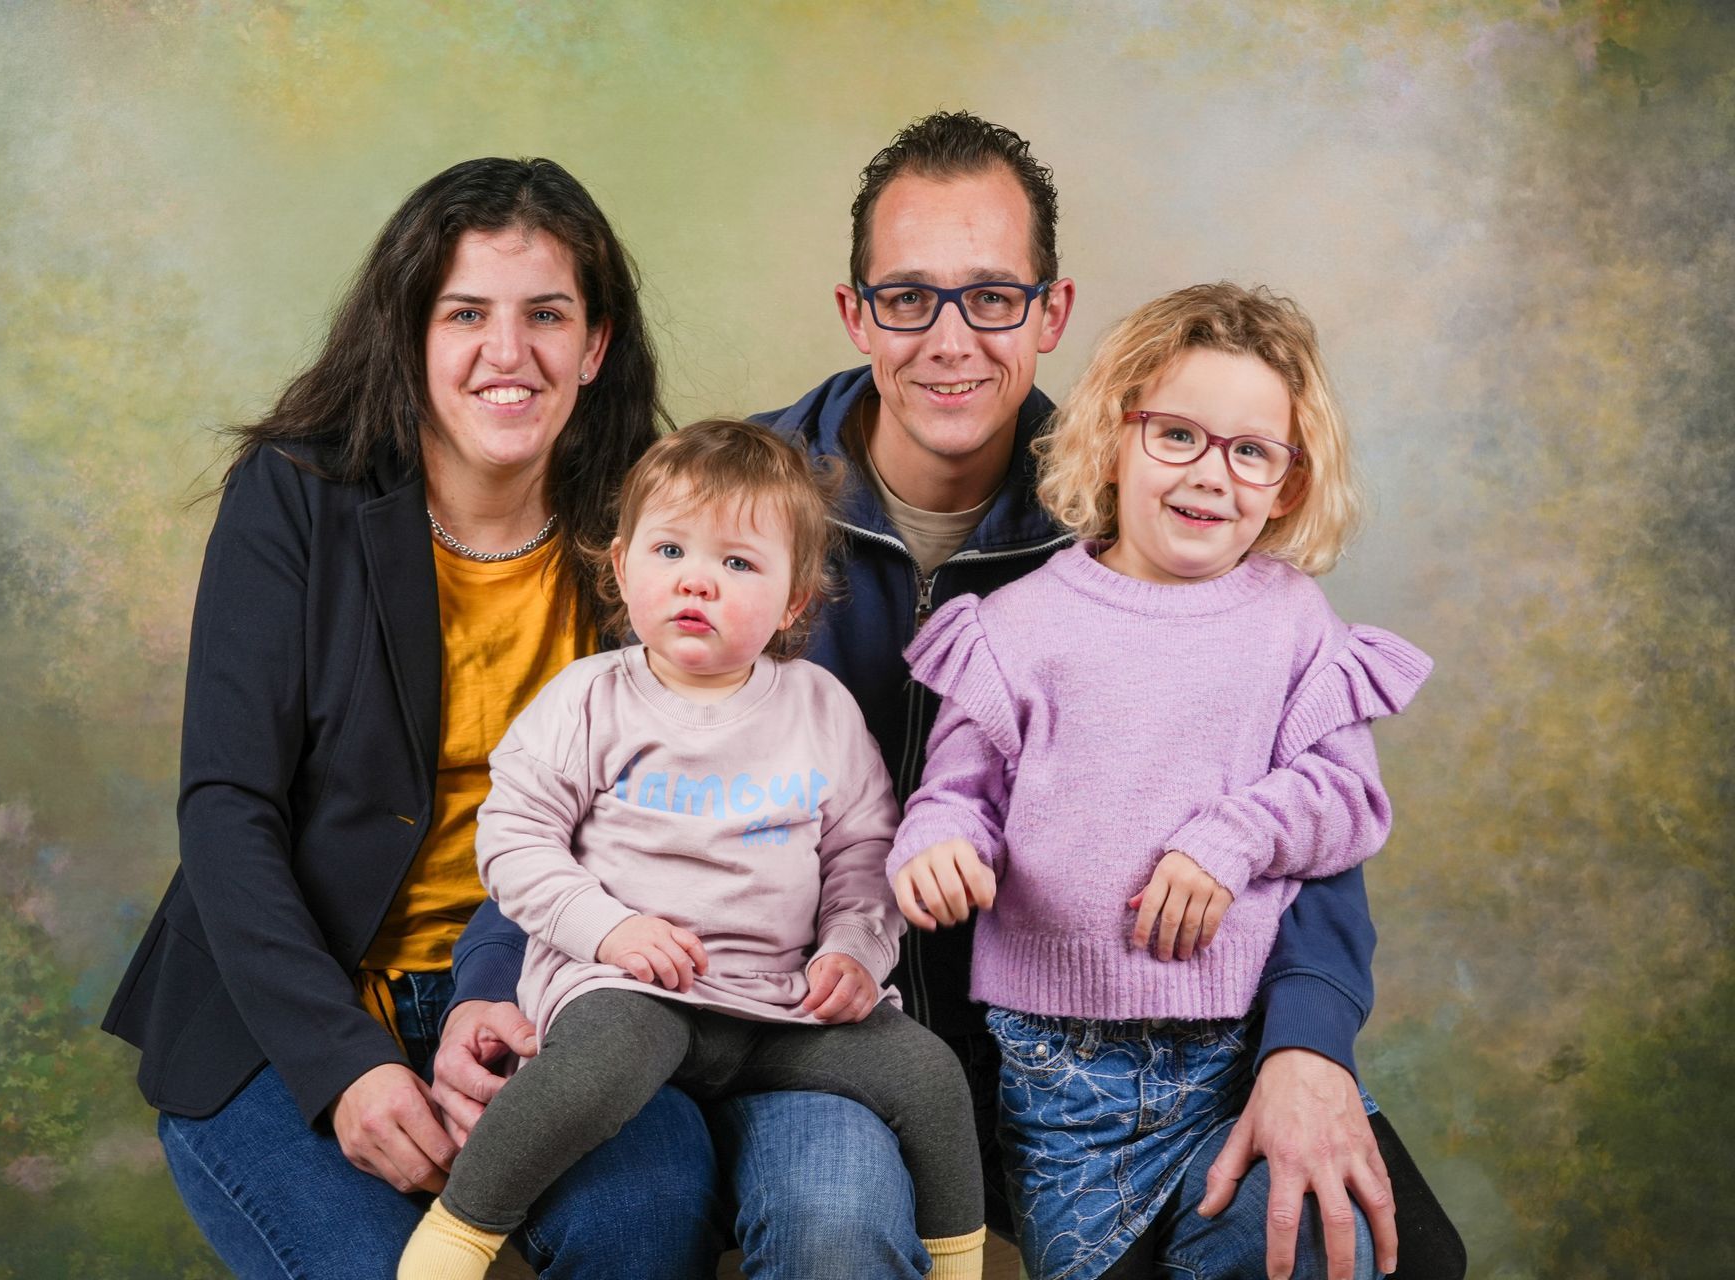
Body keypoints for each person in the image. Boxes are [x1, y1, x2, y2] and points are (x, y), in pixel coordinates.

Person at [446, 111, 1465, 1280]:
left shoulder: (1144, 514)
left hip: (1092, 1046)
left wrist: (1311, 1043)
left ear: (1051, 312)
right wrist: (493, 985)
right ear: (854, 312)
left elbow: (1317, 802)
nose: (950, 339)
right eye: (907, 297)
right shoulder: (733, 510)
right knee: (823, 1219)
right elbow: (582, 760)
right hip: (790, 1012)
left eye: (991, 297)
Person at [99, 156, 669, 1279]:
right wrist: (345, 1063)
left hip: (540, 1009)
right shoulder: (294, 495)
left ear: (594, 345)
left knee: (648, 1222)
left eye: (546, 314)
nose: (509, 354)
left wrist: (505, 1003)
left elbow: (661, 821)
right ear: (409, 333)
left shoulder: (650, 529)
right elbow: (227, 807)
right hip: (286, 1012)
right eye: (466, 313)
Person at [888, 281, 1433, 1279]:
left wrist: (1229, 835)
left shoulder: (1290, 620)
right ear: (1112, 438)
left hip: (1243, 1056)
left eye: (1251, 451)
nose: (1212, 474)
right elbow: (952, 793)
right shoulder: (1016, 629)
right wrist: (937, 844)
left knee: (1316, 1247)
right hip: (1066, 1095)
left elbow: (1348, 798)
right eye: (1177, 433)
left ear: (1289, 482)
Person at [399, 419, 986, 1279]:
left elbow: (865, 854)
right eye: (670, 551)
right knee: (593, 1070)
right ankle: (459, 1233)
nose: (697, 583)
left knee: (928, 1076)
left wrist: (854, 951)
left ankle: (959, 1259)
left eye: (738, 564)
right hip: (633, 988)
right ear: (622, 563)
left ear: (793, 602)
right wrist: (608, 930)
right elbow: (515, 841)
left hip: (777, 1004)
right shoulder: (590, 699)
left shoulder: (818, 707)